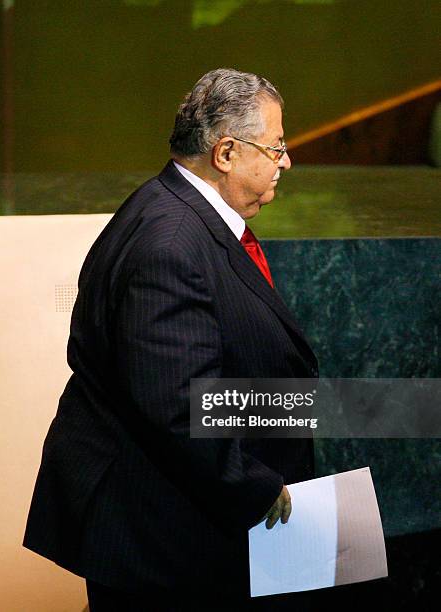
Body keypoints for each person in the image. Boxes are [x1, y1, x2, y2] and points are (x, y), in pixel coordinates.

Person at [23, 68, 319, 611]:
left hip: (177, 530)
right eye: (276, 147)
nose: (286, 161)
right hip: (159, 545)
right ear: (226, 152)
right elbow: (179, 406)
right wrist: (258, 487)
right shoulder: (171, 243)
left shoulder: (178, 214)